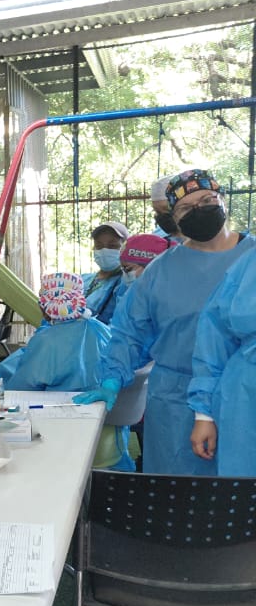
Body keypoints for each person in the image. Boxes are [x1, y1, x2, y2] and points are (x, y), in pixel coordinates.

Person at [76, 168, 255, 475]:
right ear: (174, 217)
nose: (199, 210)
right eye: (186, 207)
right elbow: (129, 333)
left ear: (222, 200)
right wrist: (111, 379)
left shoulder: (250, 258)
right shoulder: (160, 271)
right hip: (176, 401)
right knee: (177, 500)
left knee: (238, 503)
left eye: (207, 199)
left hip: (246, 396)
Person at [187, 246, 256, 606]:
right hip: (246, 395)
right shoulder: (249, 263)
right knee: (247, 506)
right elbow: (215, 329)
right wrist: (203, 411)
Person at [0, 273, 135, 470]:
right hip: (111, 436)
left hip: (65, 433)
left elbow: (22, 387)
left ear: (44, 307)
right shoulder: (101, 329)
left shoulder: (47, 341)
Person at [82, 220, 130, 324]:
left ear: (126, 248)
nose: (104, 250)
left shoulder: (127, 283)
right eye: (99, 246)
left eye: (112, 246)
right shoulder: (82, 280)